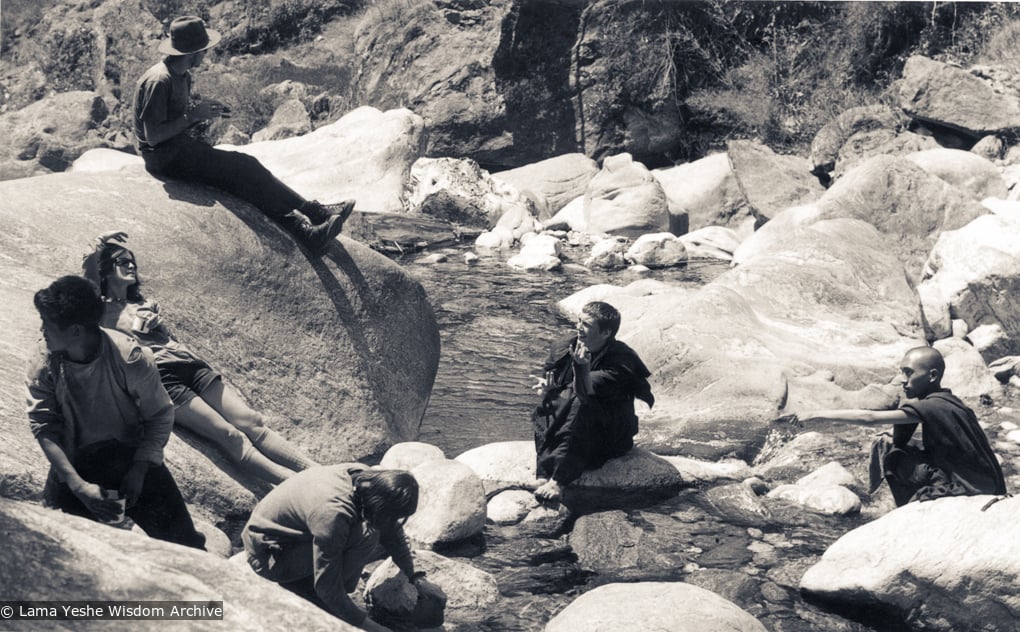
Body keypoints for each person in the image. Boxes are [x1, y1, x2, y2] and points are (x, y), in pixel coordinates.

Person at [81, 231, 318, 485]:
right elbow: (86, 275)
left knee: (251, 420)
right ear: (106, 269)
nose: (131, 266)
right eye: (122, 262)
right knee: (229, 435)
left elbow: (167, 340)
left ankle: (317, 472)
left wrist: (160, 327)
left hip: (189, 365)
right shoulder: (99, 309)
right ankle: (295, 484)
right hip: (160, 378)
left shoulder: (146, 303)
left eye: (132, 262)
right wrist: (101, 242)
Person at [134, 15, 354, 257]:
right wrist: (192, 117)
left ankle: (305, 232)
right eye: (204, 50)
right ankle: (314, 213)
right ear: (192, 52)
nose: (206, 55)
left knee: (241, 181)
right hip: (164, 158)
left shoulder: (182, 75)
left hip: (179, 149)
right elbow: (152, 136)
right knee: (245, 167)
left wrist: (204, 109)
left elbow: (173, 115)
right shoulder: (159, 80)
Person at [25, 275, 205, 549]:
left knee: (187, 547)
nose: (42, 330)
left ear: (75, 331)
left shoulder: (129, 357)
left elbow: (159, 415)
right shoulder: (44, 359)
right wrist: (77, 486)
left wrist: (140, 468)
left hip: (130, 459)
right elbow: (44, 425)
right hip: (73, 464)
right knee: (54, 550)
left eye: (47, 324)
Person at [790, 346, 1007, 506]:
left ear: (932, 376)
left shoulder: (932, 406)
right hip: (990, 483)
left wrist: (817, 414)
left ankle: (903, 505)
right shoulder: (949, 401)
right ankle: (880, 499)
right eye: (901, 372)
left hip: (971, 488)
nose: (902, 379)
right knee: (888, 440)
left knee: (892, 456)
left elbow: (869, 418)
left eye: (909, 372)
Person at [242, 465, 424, 631]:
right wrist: (370, 627)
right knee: (368, 536)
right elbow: (327, 587)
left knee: (372, 530)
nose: (396, 522)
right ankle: (314, 597)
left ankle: (328, 595)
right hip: (269, 556)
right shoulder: (333, 513)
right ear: (380, 505)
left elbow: (393, 531)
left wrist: (416, 578)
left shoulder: (365, 479)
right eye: (394, 516)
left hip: (290, 536)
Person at [531, 301, 654, 502]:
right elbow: (552, 379)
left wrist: (581, 367)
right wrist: (548, 387)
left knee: (581, 406)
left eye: (586, 324)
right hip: (572, 424)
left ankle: (559, 481)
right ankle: (543, 474)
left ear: (606, 333)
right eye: (579, 321)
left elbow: (585, 390)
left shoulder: (622, 361)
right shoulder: (564, 345)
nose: (579, 327)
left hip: (608, 433)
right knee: (547, 405)